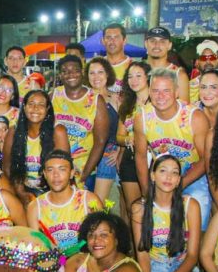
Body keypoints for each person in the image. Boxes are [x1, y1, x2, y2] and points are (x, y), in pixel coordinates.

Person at [132, 154, 201, 272]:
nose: (168, 177)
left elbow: (193, 255)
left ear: (179, 180)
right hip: (153, 268)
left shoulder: (190, 205)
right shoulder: (140, 207)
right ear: (152, 175)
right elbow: (143, 255)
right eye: (163, 171)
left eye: (174, 173)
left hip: (180, 266)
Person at [134, 67, 212, 229]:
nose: (160, 96)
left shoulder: (195, 117)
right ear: (149, 91)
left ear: (177, 92)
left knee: (195, 227)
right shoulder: (142, 118)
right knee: (159, 228)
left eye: (166, 91)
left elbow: (206, 159)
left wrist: (180, 183)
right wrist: (146, 191)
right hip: (162, 177)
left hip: (193, 177)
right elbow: (140, 156)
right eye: (155, 91)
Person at [27, 149, 103, 256]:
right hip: (53, 266)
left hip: (87, 263)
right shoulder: (35, 207)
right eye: (50, 170)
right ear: (44, 174)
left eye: (62, 169)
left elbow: (103, 240)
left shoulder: (88, 200)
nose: (56, 175)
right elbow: (36, 249)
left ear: (72, 173)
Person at [4, 90, 70, 205]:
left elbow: (64, 169)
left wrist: (50, 197)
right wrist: (21, 192)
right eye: (31, 104)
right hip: (23, 188)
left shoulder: (58, 132)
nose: (35, 108)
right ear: (24, 107)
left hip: (53, 188)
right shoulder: (13, 132)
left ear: (48, 109)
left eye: (41, 105)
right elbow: (7, 167)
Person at [51, 55, 108, 187]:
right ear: (60, 75)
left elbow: (100, 141)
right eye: (65, 71)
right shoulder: (53, 96)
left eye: (75, 70)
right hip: (57, 169)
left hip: (84, 169)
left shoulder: (96, 100)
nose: (70, 74)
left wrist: (85, 174)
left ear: (82, 72)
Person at [116, 61, 150, 224]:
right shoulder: (127, 105)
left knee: (152, 207)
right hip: (129, 160)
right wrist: (127, 139)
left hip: (153, 159)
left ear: (148, 78)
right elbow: (119, 137)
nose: (134, 80)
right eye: (130, 76)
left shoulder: (158, 101)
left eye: (138, 76)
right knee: (133, 209)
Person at [85, 57, 120, 203]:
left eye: (100, 72)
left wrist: (119, 150)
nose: (96, 77)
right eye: (92, 73)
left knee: (97, 204)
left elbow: (127, 128)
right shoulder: (82, 98)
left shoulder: (116, 99)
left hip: (107, 154)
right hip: (85, 153)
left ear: (107, 75)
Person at [143, 27, 189, 102]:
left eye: (162, 41)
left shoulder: (179, 75)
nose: (156, 45)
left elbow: (184, 109)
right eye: (152, 41)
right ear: (146, 44)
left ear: (169, 45)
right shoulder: (137, 71)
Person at [189, 40, 218, 106]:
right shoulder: (188, 88)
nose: (208, 62)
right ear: (197, 62)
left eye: (212, 57)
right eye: (204, 58)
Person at [102, 24, 131, 95]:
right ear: (103, 41)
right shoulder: (96, 66)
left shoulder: (132, 66)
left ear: (124, 40)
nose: (112, 41)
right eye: (108, 37)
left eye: (116, 37)